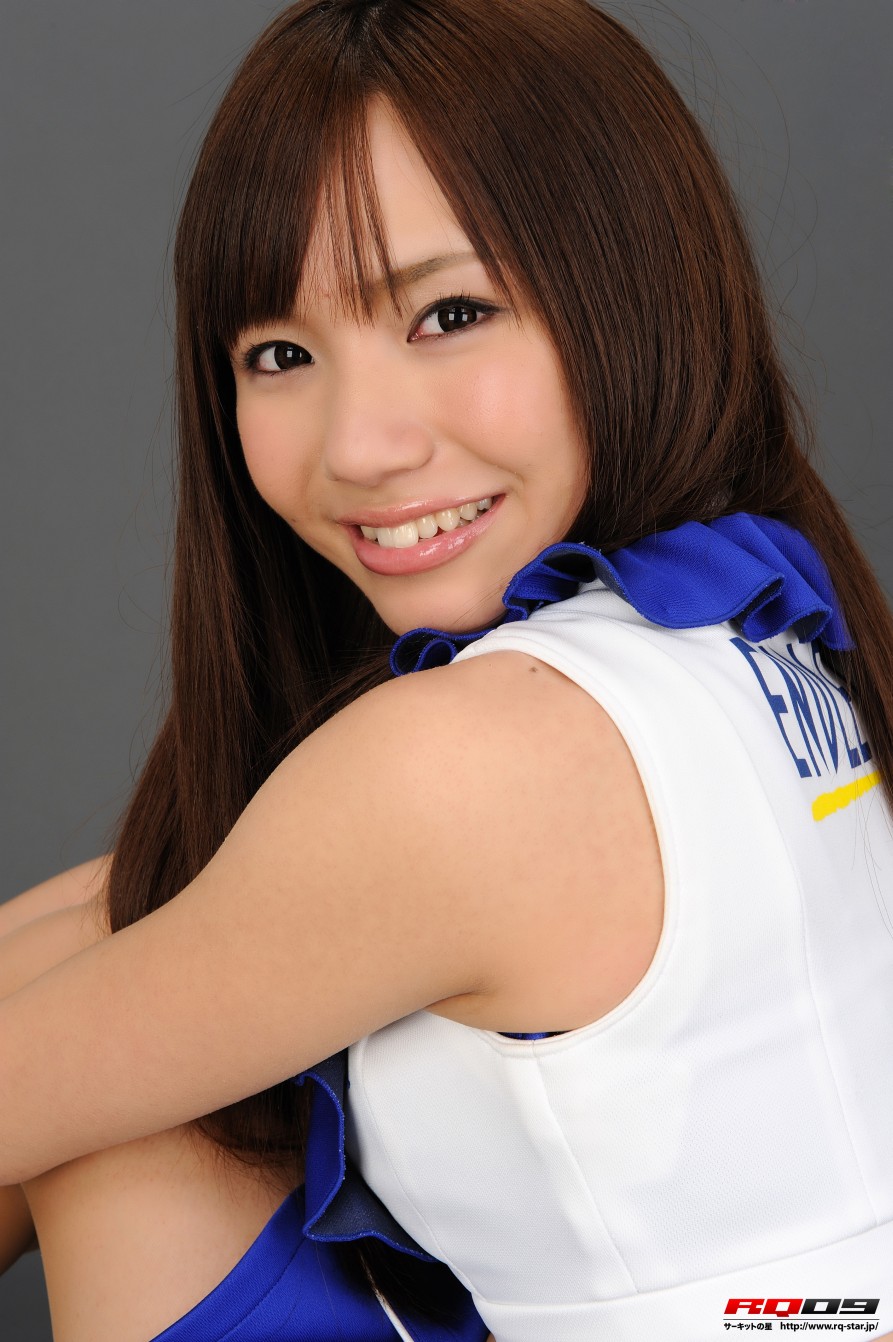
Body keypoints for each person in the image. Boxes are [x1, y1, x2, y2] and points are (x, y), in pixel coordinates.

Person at [2, 0, 892, 1339]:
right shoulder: (746, 624)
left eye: (449, 313)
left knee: (107, 1110)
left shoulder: (471, 761)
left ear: (630, 294)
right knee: (104, 924)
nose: (360, 445)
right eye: (280, 355)